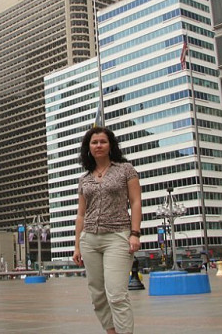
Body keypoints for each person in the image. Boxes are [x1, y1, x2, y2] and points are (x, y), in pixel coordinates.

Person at [72, 126, 142, 334]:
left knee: (117, 294)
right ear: (88, 148)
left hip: (117, 236)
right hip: (90, 239)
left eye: (102, 141)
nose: (98, 145)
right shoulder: (84, 179)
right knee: (98, 295)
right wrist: (77, 245)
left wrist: (135, 233)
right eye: (94, 142)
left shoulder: (125, 169)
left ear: (110, 145)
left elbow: (135, 202)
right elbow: (81, 214)